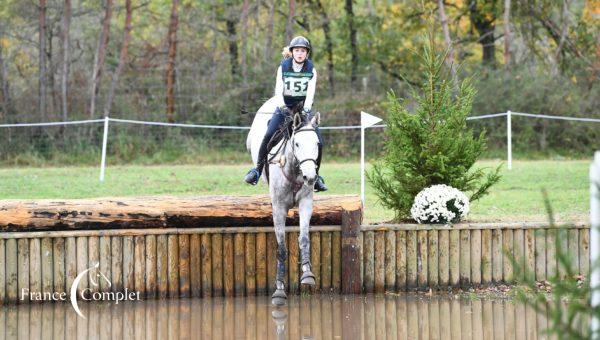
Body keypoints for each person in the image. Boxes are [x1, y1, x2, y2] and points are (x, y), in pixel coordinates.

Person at [244, 36, 328, 192]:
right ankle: (257, 170)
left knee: (319, 140)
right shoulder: (283, 67)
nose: (300, 53)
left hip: (303, 109)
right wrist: (283, 107)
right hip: (284, 107)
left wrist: (306, 110)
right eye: (297, 50)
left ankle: (316, 176)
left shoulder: (311, 69)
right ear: (292, 52)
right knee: (269, 134)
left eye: (303, 51)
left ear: (307, 53)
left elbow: (310, 93)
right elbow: (278, 91)